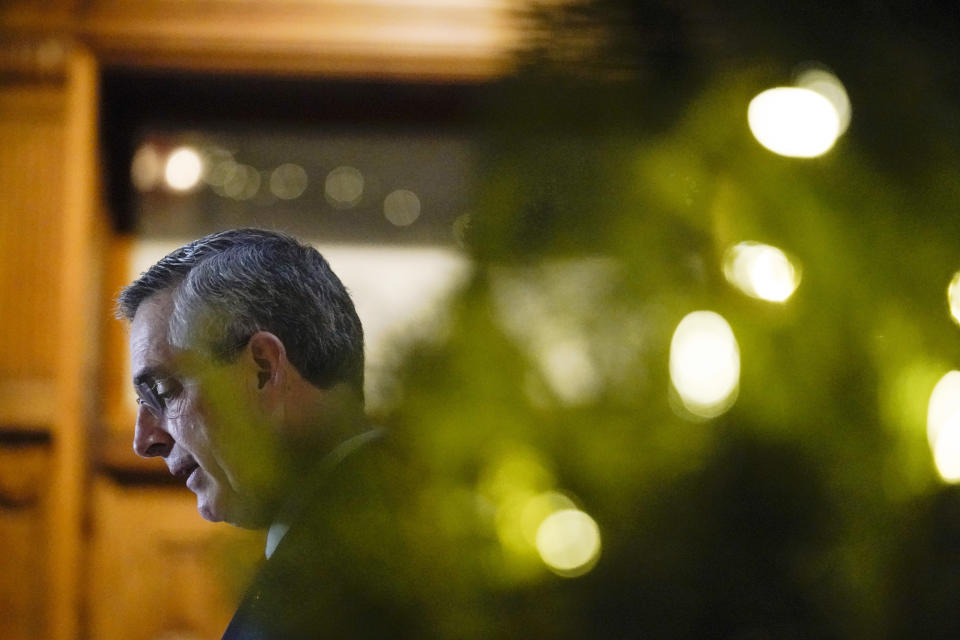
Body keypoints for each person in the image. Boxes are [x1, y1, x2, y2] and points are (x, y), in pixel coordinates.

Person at [117, 228, 420, 639]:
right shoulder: (404, 520)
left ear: (262, 369)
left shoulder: (348, 581)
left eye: (164, 393)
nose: (145, 439)